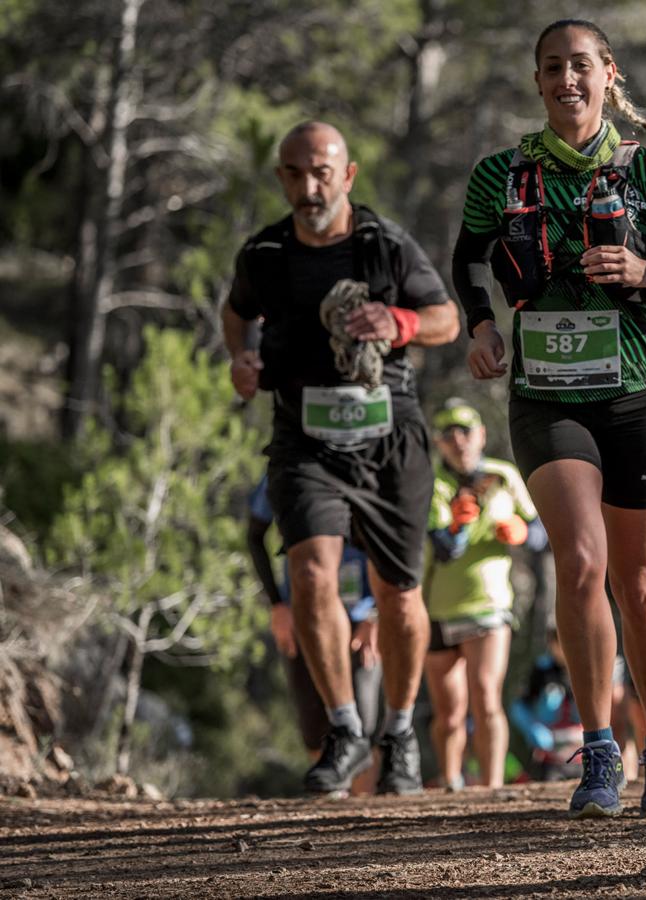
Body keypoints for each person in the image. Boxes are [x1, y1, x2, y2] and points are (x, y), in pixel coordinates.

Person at [452, 19, 646, 819]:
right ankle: (600, 752)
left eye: (581, 65)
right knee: (580, 562)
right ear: (538, 81)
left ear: (608, 73)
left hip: (636, 394)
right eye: (552, 68)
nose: (566, 80)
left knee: (638, 583)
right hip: (546, 396)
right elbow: (467, 256)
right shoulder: (501, 175)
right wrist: (479, 324)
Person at [222, 121, 460, 795]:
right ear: (281, 179)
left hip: (389, 437)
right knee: (310, 572)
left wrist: (400, 323)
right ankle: (346, 728)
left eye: (322, 172)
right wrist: (242, 359)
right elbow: (234, 313)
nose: (309, 186)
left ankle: (399, 730)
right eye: (295, 173)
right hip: (305, 438)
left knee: (398, 594)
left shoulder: (383, 246)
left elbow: (445, 318)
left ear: (348, 174)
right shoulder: (264, 254)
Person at [423, 399, 545, 790]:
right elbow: (443, 549)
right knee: (448, 711)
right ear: (439, 443)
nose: (458, 440)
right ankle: (451, 782)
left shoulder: (504, 476)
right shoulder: (431, 483)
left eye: (465, 431)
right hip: (438, 607)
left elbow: (541, 531)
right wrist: (459, 524)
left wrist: (522, 532)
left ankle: (491, 789)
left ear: (481, 435)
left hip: (489, 603)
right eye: (448, 434)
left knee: (486, 696)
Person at [246, 474, 383, 794]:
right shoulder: (283, 470)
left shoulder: (364, 466)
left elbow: (394, 540)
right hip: (302, 618)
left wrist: (377, 613)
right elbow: (254, 536)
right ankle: (332, 804)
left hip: (360, 620)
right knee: (312, 722)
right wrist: (277, 605)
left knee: (363, 725)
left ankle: (364, 816)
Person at [509, 625, 585, 782]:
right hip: (549, 759)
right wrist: (533, 728)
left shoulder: (585, 668)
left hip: (582, 756)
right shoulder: (542, 671)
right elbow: (520, 706)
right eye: (559, 644)